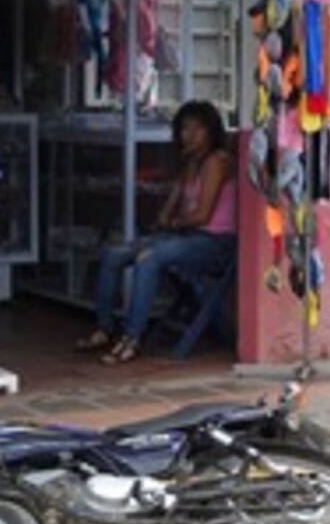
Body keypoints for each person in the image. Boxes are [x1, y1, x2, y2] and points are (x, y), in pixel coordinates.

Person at [75, 100, 237, 365]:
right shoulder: (192, 162)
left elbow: (202, 216)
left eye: (198, 129)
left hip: (214, 242)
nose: (190, 135)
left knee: (148, 258)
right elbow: (168, 210)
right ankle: (104, 329)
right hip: (188, 236)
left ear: (211, 131)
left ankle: (132, 338)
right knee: (112, 255)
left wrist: (172, 224)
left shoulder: (217, 161)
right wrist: (174, 199)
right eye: (185, 129)